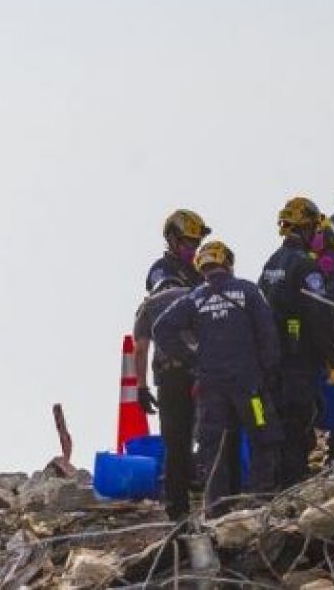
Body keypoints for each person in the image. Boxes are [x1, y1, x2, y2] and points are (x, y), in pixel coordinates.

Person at [153, 240, 280, 517]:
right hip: (250, 387)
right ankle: (262, 499)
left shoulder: (195, 299)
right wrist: (269, 372)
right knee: (262, 434)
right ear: (228, 263)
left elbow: (161, 328)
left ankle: (216, 509)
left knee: (214, 446)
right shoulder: (247, 291)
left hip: (211, 390)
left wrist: (191, 359)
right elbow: (268, 333)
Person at [259, 197, 334, 486]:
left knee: (278, 424)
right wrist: (333, 358)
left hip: (272, 360)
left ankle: (274, 484)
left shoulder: (271, 263)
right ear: (309, 227)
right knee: (297, 424)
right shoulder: (307, 267)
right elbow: (320, 315)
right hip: (298, 360)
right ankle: (290, 487)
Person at [133, 209, 209, 520]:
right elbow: (141, 344)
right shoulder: (163, 274)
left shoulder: (199, 276)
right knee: (178, 439)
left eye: (196, 244)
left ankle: (193, 487)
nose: (193, 250)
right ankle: (178, 506)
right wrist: (139, 386)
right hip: (175, 371)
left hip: (198, 370)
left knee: (194, 434)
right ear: (173, 240)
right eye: (188, 244)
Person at [146, 209, 210, 294]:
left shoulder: (201, 271)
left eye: (196, 241)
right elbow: (165, 296)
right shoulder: (161, 267)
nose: (193, 247)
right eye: (188, 240)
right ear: (172, 238)